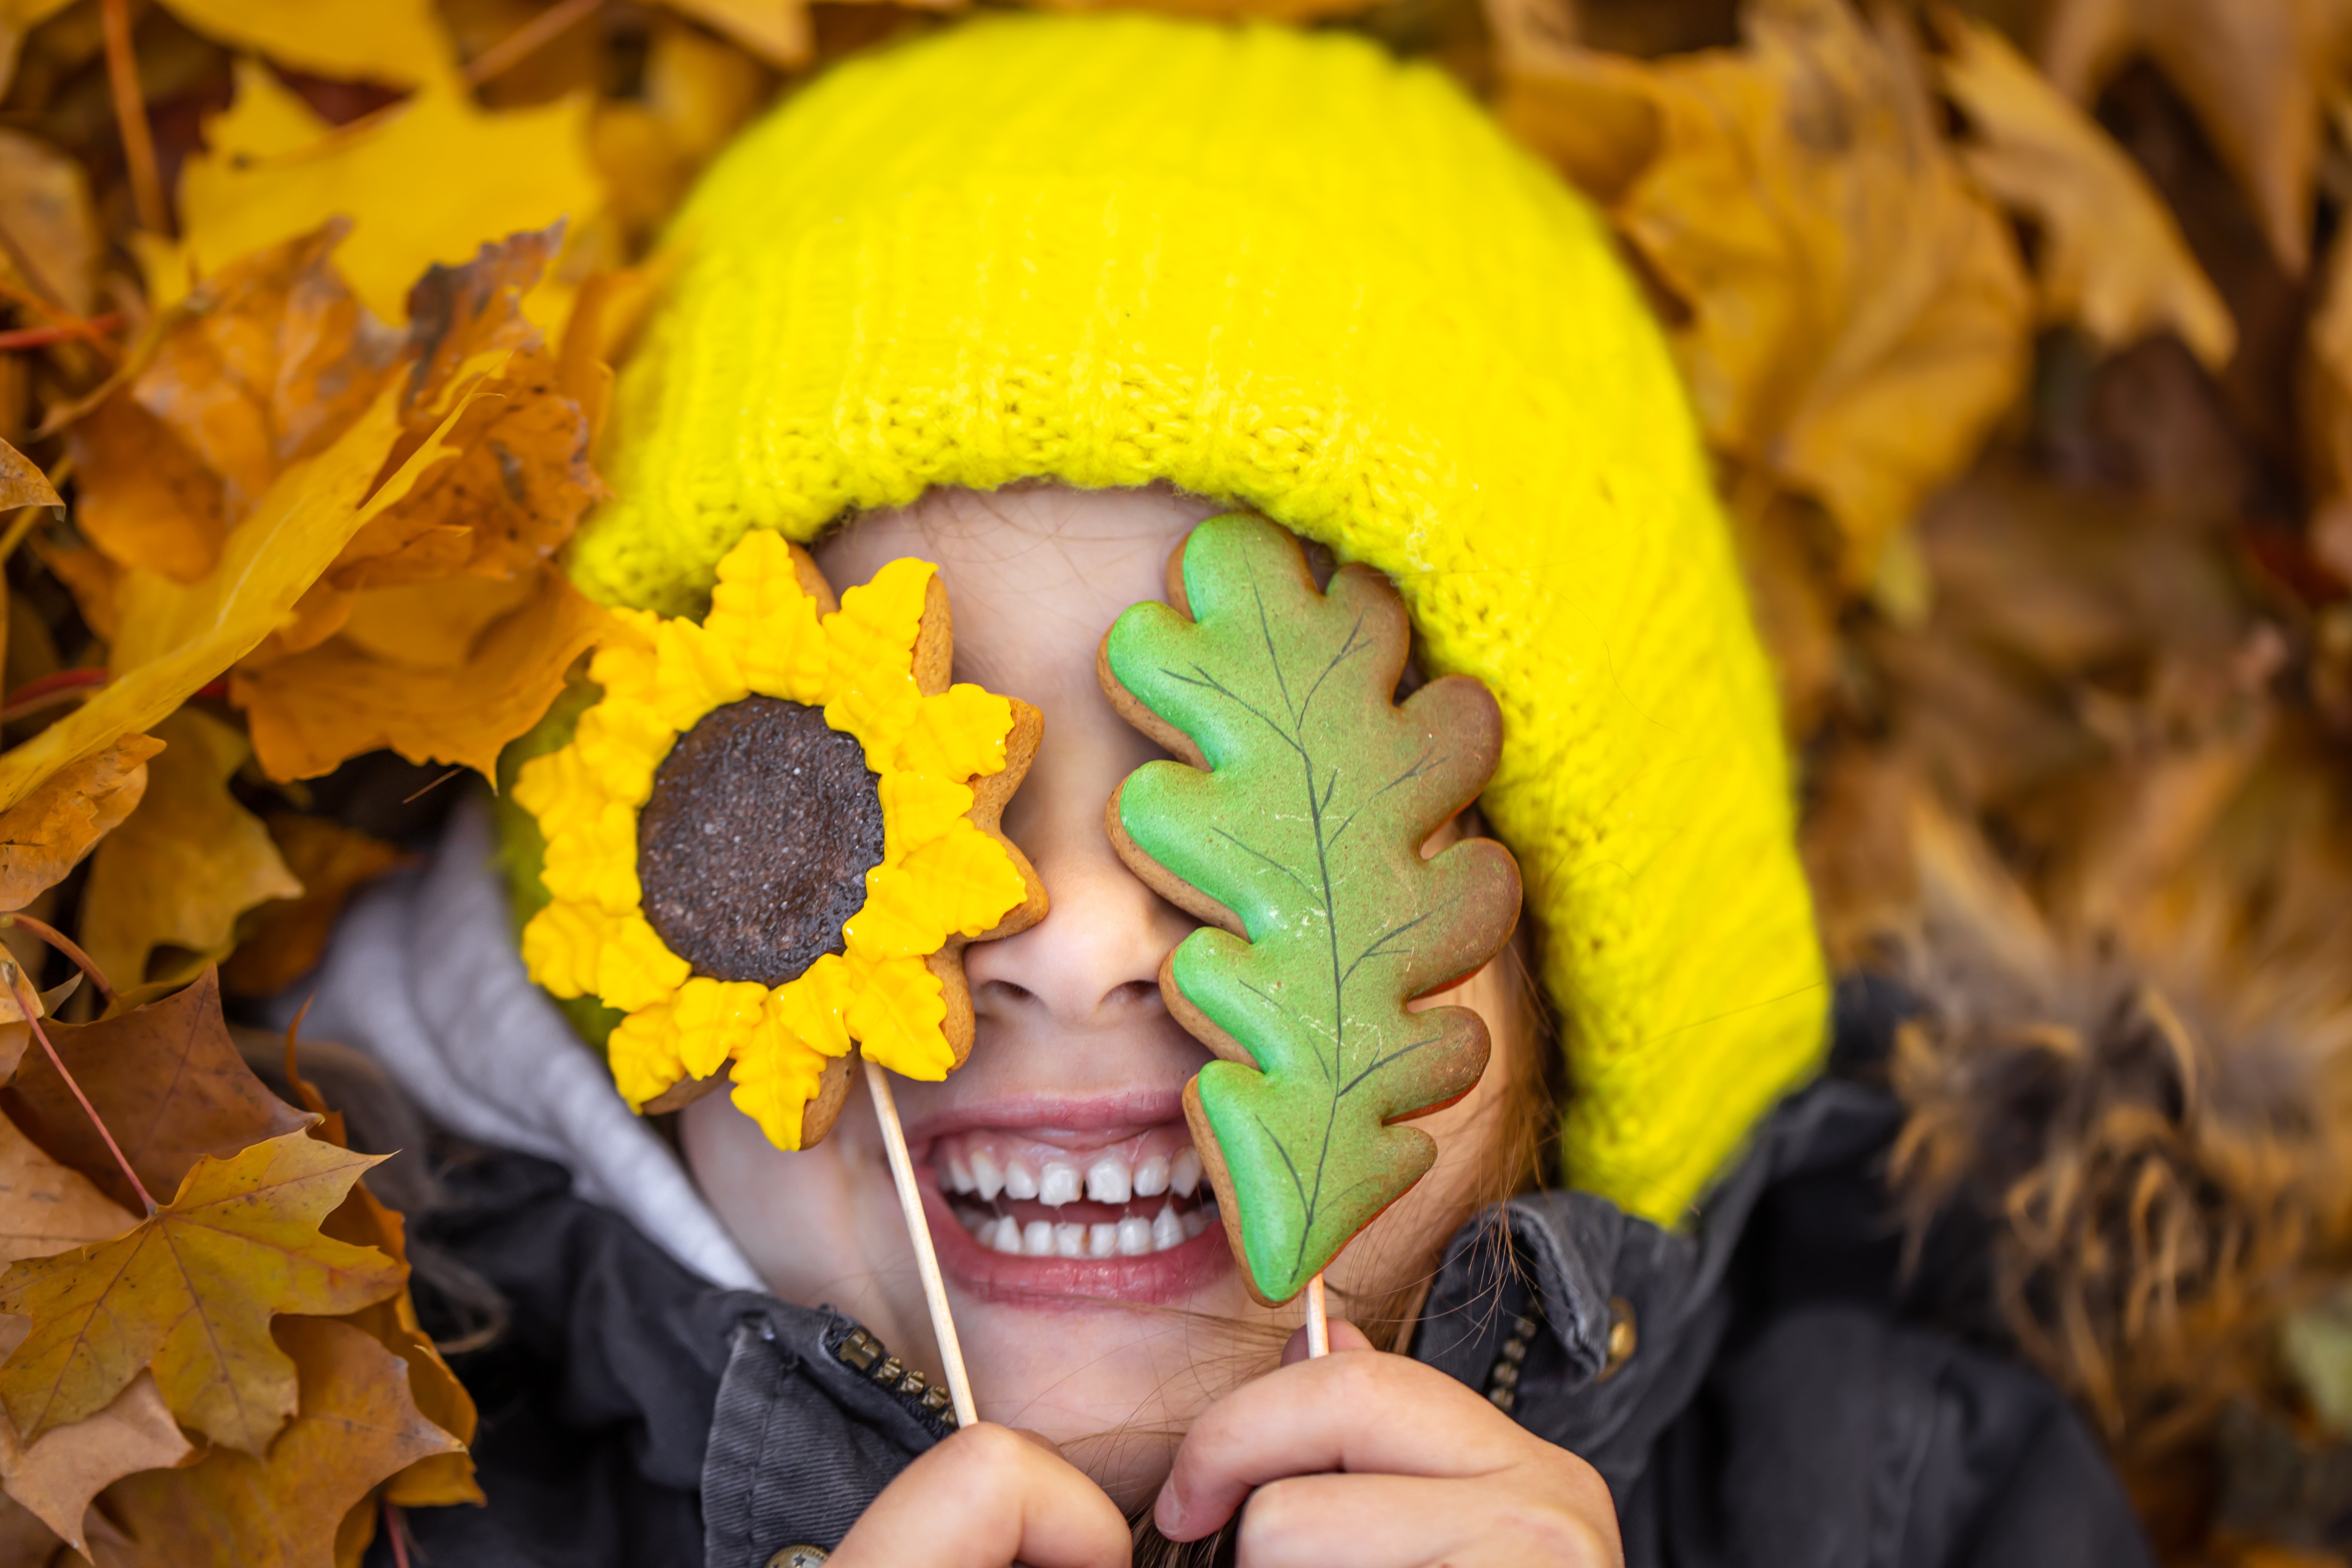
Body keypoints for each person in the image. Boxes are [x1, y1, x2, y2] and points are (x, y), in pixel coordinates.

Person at [295, 13, 2155, 1566]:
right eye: (856, 782)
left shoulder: (1893, 1501)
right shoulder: (377, 1494)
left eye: (1252, 792)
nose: (1083, 939)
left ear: (1581, 983)